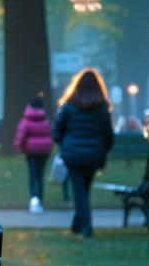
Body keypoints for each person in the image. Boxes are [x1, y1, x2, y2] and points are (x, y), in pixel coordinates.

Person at [52, 69, 115, 238]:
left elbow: (57, 129)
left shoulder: (70, 104)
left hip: (73, 154)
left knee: (80, 191)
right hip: (94, 154)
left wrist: (64, 144)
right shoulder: (102, 107)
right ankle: (78, 224)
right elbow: (108, 134)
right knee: (83, 190)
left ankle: (86, 226)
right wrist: (103, 148)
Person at [13, 94, 54, 214]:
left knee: (32, 175)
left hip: (31, 151)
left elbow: (20, 136)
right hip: (43, 152)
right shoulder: (46, 121)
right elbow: (49, 135)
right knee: (40, 176)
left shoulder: (26, 121)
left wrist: (20, 148)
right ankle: (40, 199)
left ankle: (33, 199)